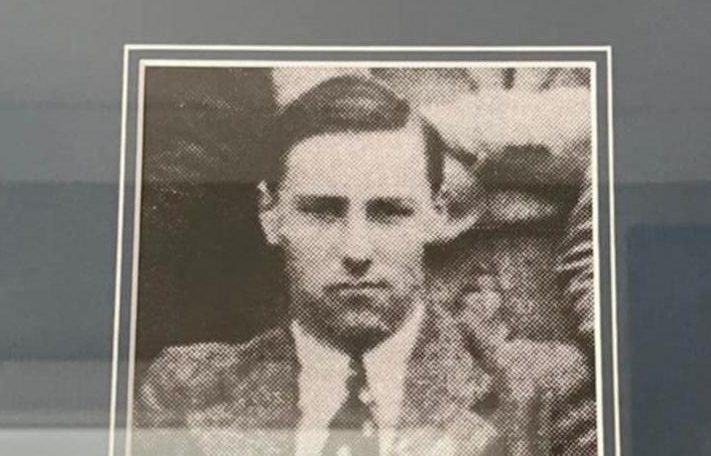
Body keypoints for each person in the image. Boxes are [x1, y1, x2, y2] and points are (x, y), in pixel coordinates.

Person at [134, 75, 596, 456]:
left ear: (439, 214)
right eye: (323, 211)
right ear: (270, 215)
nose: (357, 250)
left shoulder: (538, 390)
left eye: (389, 212)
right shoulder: (187, 391)